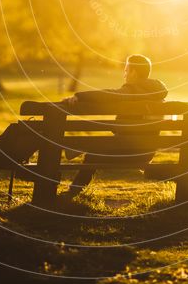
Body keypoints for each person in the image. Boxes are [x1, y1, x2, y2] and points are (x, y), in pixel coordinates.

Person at [60, 54, 167, 199]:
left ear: (134, 72)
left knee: (92, 156)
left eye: (127, 70)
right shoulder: (156, 92)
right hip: (147, 151)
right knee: (96, 151)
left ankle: (73, 192)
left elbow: (108, 94)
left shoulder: (132, 91)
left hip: (130, 151)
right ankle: (75, 157)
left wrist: (80, 96)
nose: (124, 74)